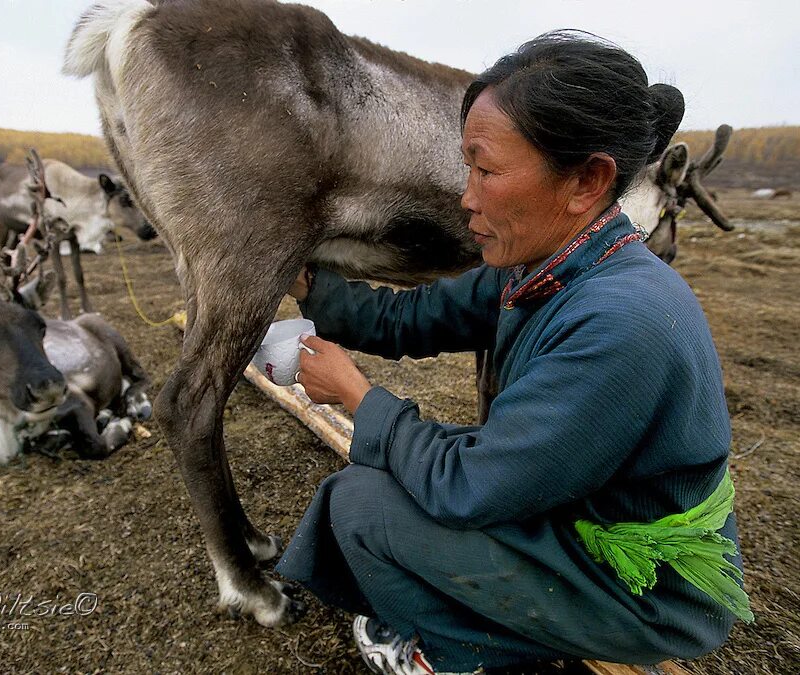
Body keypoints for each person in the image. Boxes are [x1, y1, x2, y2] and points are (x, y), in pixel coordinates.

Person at [274, 31, 751, 675]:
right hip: (574, 511)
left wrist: (359, 397)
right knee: (398, 467)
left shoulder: (620, 323)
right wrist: (313, 286)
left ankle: (454, 655)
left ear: (586, 179)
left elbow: (471, 488)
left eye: (487, 170)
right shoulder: (545, 263)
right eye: (467, 166)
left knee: (362, 505)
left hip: (643, 586)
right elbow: (412, 318)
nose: (467, 195)